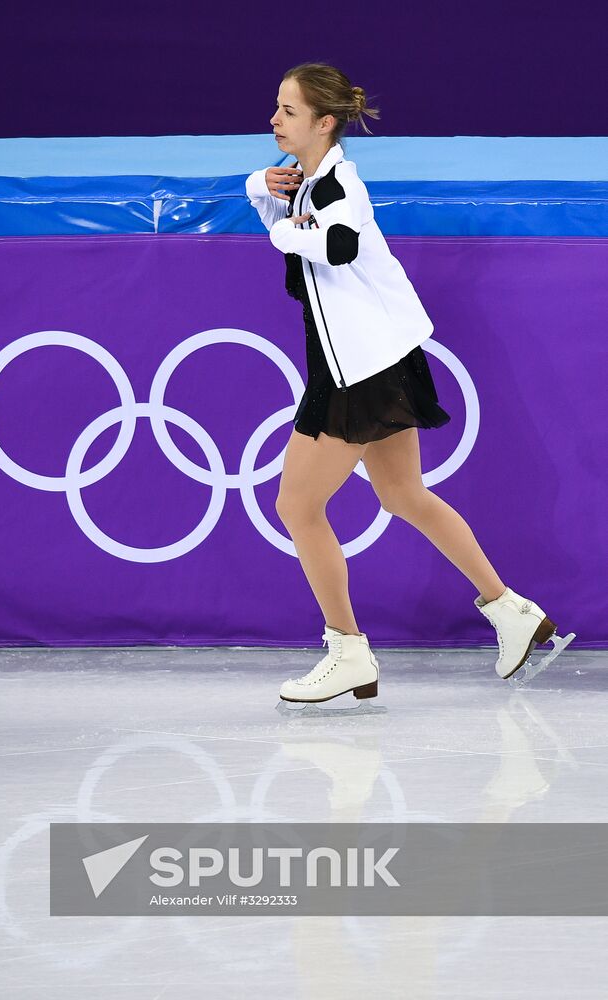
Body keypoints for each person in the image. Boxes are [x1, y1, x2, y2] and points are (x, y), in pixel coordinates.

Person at [245, 62, 573, 707]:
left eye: (287, 111)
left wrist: (283, 225)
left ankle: (347, 652)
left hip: (358, 374)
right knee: (402, 495)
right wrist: (262, 185)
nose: (274, 120)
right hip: (376, 362)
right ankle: (511, 611)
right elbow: (287, 218)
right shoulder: (307, 182)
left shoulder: (340, 188)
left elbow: (335, 246)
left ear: (325, 122)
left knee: (297, 507)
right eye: (276, 108)